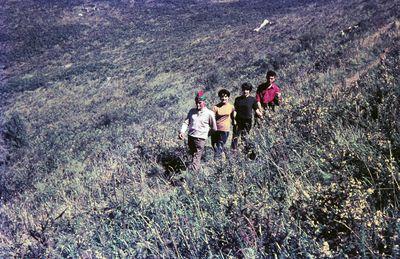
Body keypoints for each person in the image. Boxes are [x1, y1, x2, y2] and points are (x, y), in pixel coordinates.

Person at [179, 90, 217, 171]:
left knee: (196, 157)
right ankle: (197, 172)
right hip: (191, 137)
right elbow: (186, 122)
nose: (197, 104)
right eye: (196, 102)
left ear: (204, 102)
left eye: (200, 102)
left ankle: (191, 177)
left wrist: (205, 135)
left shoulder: (209, 113)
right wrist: (182, 131)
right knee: (193, 155)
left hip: (200, 139)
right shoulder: (192, 111)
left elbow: (214, 128)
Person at [231, 83, 261, 151]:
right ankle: (233, 151)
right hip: (238, 121)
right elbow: (235, 110)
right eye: (244, 89)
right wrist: (233, 119)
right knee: (235, 137)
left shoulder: (252, 99)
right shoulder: (238, 99)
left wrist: (261, 116)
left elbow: (256, 110)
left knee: (245, 137)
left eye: (247, 90)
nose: (245, 91)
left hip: (247, 122)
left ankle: (245, 151)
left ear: (249, 90)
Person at [211, 89, 235, 159]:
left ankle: (217, 162)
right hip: (215, 130)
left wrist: (234, 122)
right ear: (220, 97)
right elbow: (212, 118)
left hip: (224, 130)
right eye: (222, 97)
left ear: (228, 97)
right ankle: (223, 158)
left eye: (225, 96)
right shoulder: (216, 107)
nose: (224, 98)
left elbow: (233, 116)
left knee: (219, 146)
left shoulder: (231, 107)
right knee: (214, 145)